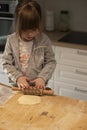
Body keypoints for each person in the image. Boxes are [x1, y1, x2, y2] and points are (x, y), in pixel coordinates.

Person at [2, 0, 56, 90]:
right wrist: (18, 77)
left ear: (39, 24)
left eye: (34, 29)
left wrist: (42, 78)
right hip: (18, 87)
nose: (30, 34)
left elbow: (51, 62)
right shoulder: (11, 40)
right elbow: (6, 63)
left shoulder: (44, 40)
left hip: (38, 87)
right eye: (25, 30)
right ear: (17, 25)